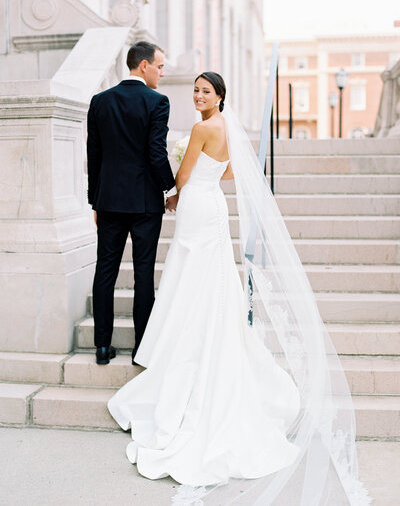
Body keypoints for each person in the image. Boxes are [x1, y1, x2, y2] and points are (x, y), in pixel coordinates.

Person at [107, 73, 370, 505]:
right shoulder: (229, 128)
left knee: (188, 280)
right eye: (195, 90)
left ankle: (183, 356)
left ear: (220, 96)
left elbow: (185, 174)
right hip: (215, 207)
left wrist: (171, 195)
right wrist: (196, 182)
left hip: (195, 207)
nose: (197, 96)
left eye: (205, 91)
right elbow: (229, 171)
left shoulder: (201, 127)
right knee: (209, 282)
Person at [87, 41, 177, 366]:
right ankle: (142, 349)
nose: (162, 73)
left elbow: (93, 156)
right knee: (143, 275)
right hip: (144, 206)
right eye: (160, 66)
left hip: (108, 202)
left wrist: (94, 201)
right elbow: (156, 153)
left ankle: (101, 347)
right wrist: (172, 186)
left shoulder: (99, 101)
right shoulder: (157, 102)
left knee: (104, 273)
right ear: (143, 66)